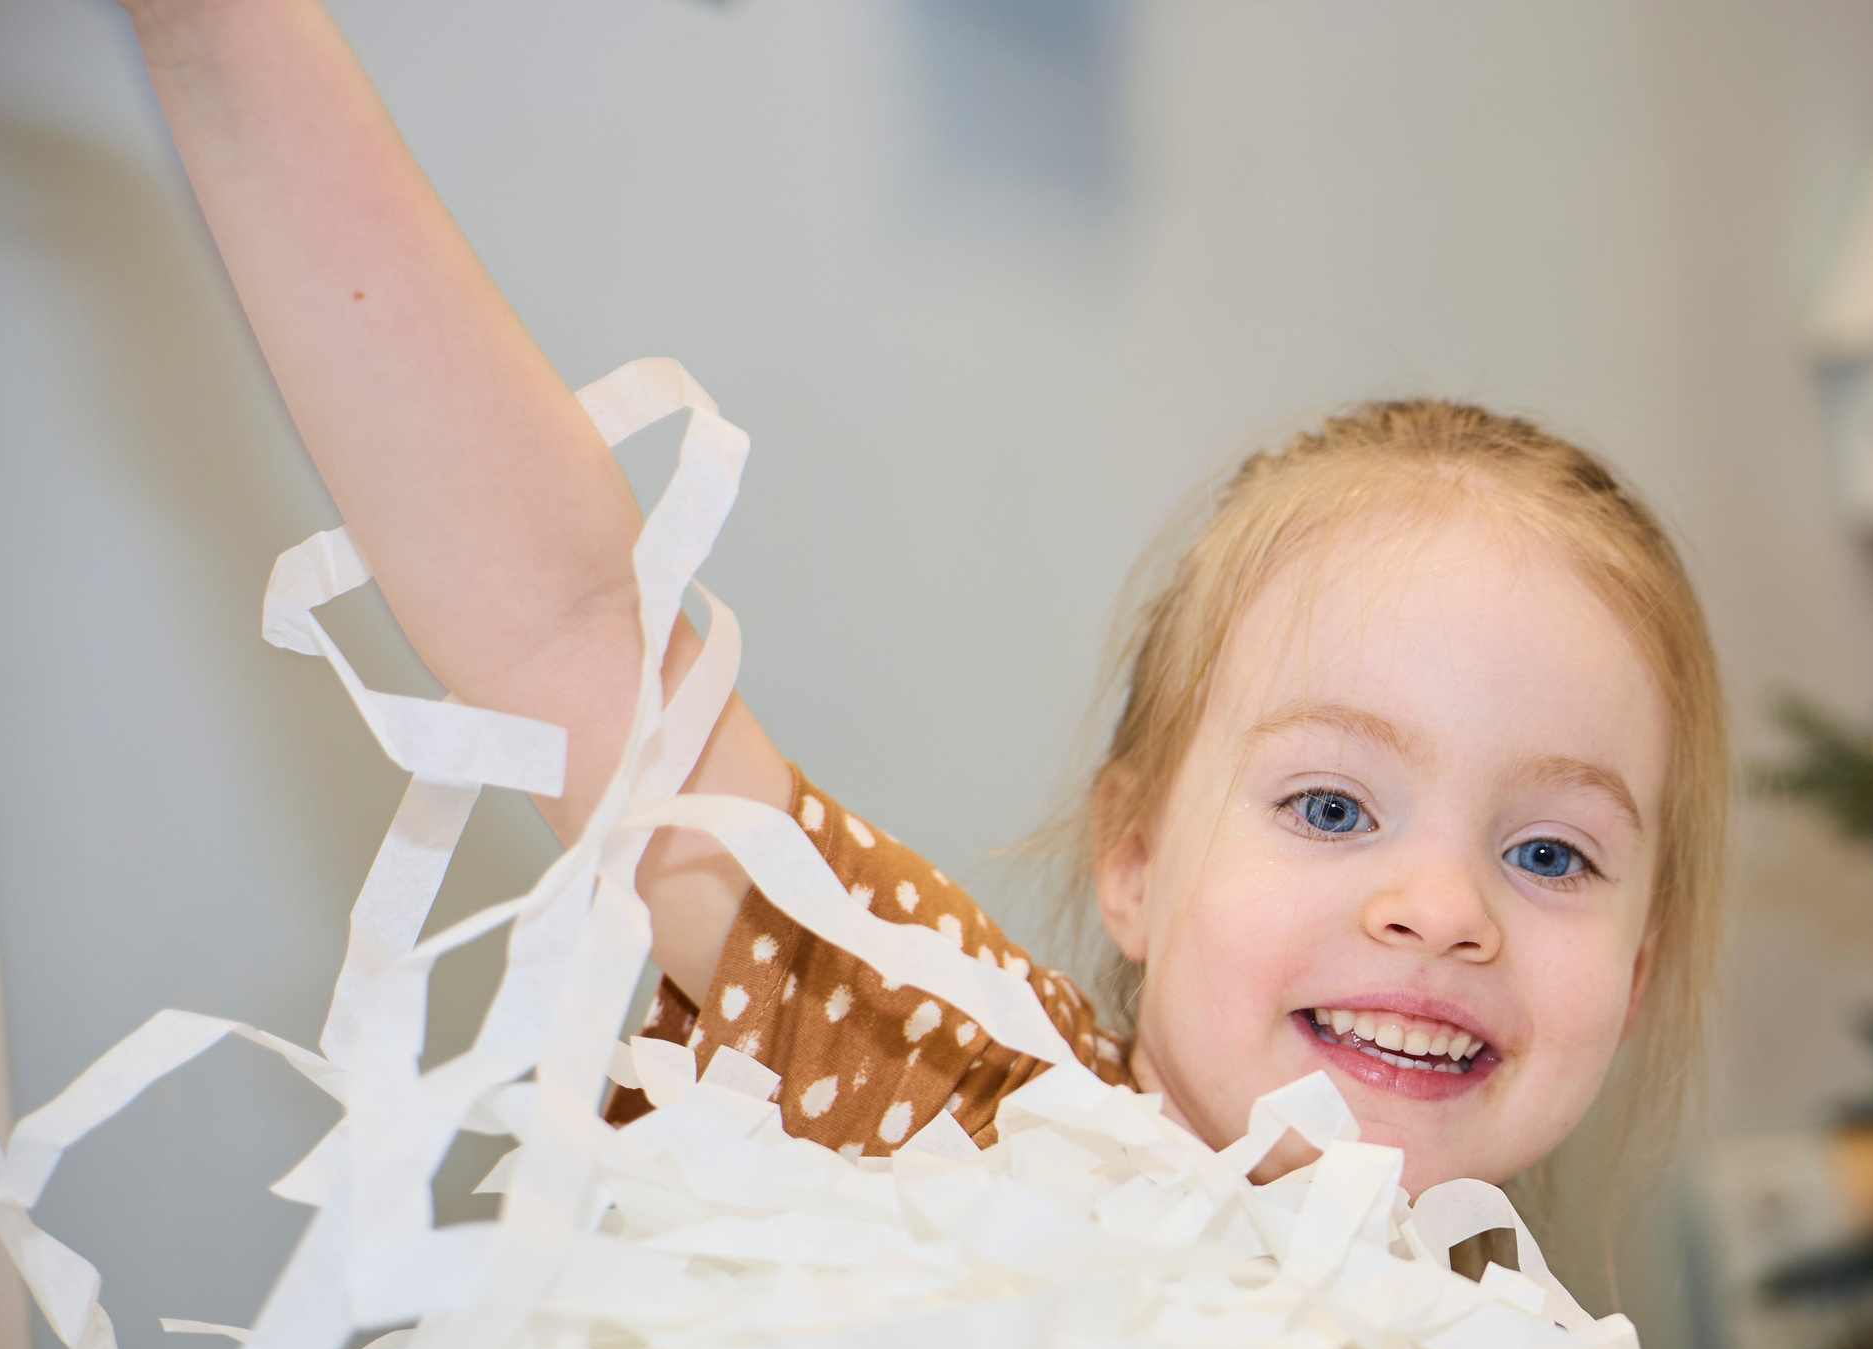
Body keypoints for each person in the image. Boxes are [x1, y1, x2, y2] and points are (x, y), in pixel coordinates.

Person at [112, 0, 1726, 1202]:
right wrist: (220, 35)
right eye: (1328, 804)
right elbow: (566, 629)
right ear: (1138, 861)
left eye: (1550, 852)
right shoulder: (955, 1085)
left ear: (1639, 969)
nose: (1443, 908)